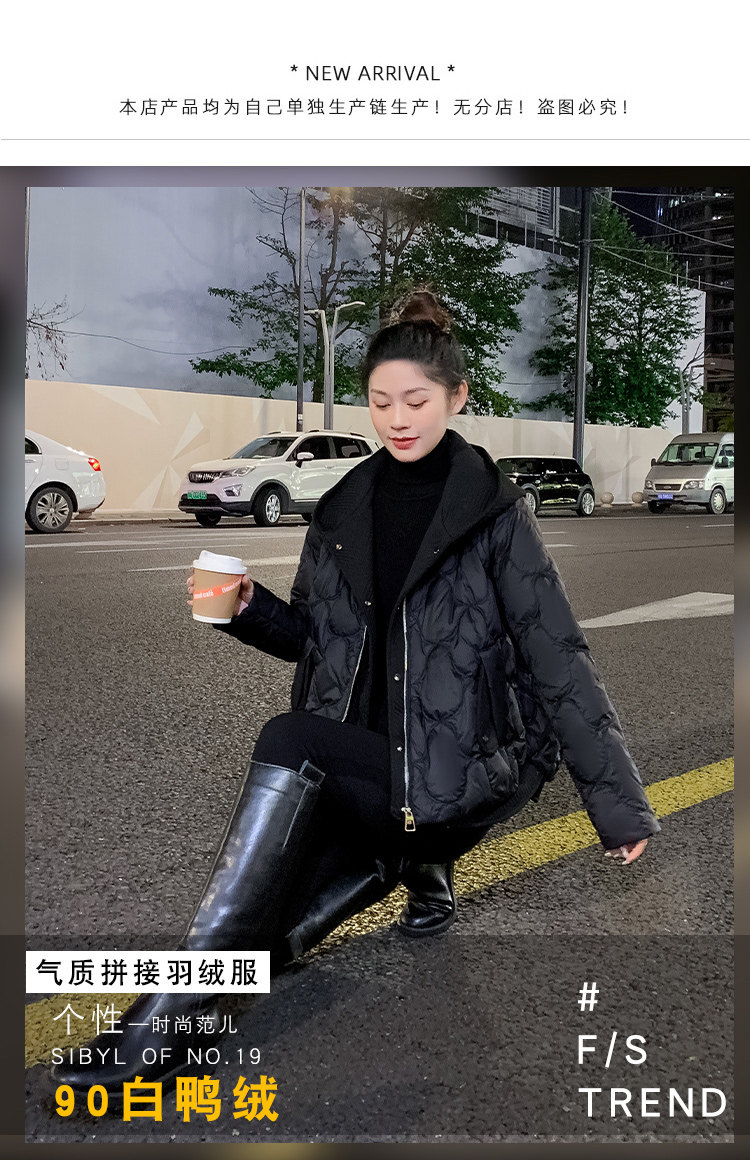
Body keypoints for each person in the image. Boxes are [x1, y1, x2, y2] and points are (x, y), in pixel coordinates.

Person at [55, 290, 659, 1092]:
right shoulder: (343, 506)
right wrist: (245, 609)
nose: (397, 419)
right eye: (380, 401)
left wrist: (618, 805)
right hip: (374, 763)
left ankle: (156, 1033)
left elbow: (559, 658)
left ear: (457, 396)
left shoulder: (493, 513)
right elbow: (313, 637)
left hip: (456, 769)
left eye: (416, 400)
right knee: (275, 929)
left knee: (289, 741)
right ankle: (411, 864)